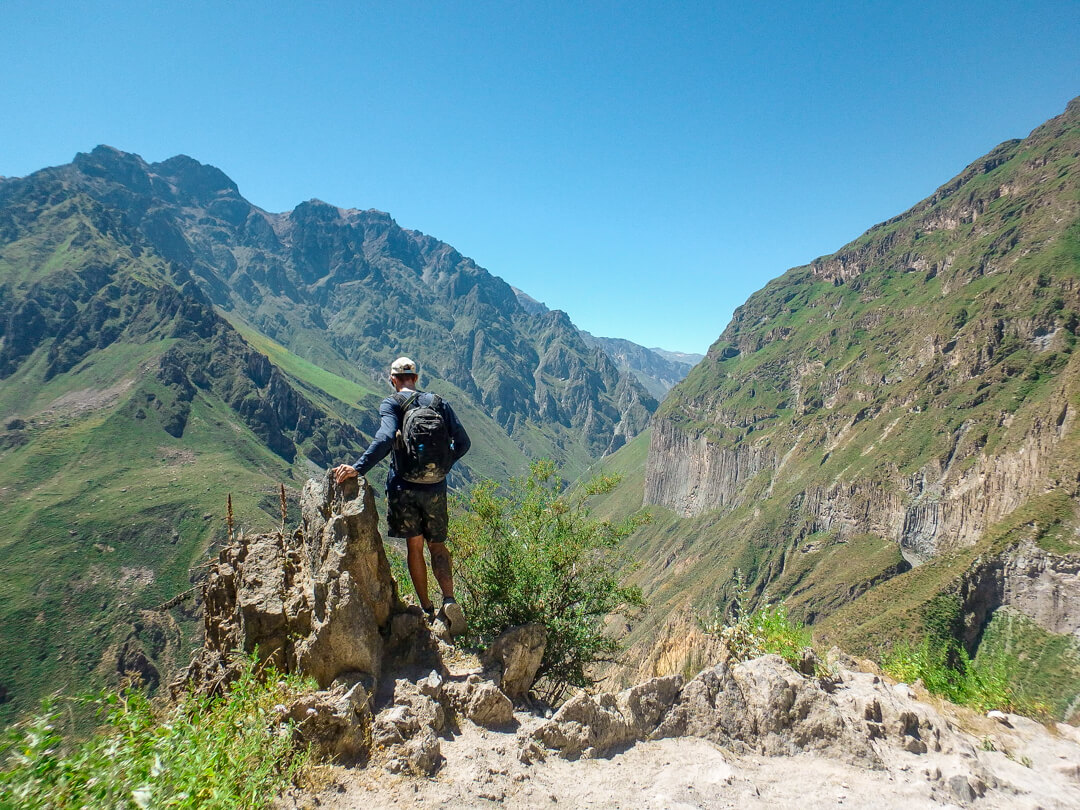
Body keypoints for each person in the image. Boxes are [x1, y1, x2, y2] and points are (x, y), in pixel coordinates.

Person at [332, 356, 471, 634]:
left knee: (415, 548)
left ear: (393, 380)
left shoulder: (392, 403)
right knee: (438, 547)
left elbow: (385, 439)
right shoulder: (437, 402)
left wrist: (358, 469)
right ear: (416, 378)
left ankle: (428, 610)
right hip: (436, 487)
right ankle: (449, 599)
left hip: (404, 488)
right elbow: (464, 443)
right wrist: (443, 465)